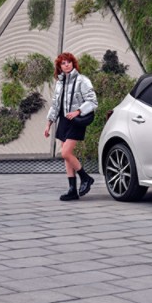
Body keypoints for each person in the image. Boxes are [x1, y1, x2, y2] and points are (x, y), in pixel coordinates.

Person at [44, 52, 98, 201]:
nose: (66, 64)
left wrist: (78, 111)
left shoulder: (82, 80)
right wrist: (48, 124)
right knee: (66, 156)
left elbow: (93, 101)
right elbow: (55, 105)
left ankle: (86, 178)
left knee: (66, 153)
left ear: (73, 63)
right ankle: (72, 189)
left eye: (68, 62)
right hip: (64, 121)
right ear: (59, 66)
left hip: (76, 120)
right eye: (63, 63)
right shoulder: (60, 83)